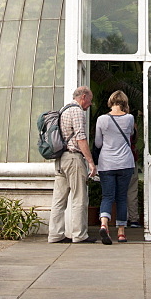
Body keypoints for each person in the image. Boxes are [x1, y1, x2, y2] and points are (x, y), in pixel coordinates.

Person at [47, 86, 97, 244]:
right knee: (79, 197)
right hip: (73, 158)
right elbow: (81, 138)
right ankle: (79, 235)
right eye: (89, 100)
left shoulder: (63, 110)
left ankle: (55, 234)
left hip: (61, 159)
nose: (90, 104)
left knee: (59, 199)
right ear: (83, 97)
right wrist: (90, 162)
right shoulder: (76, 111)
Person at [94, 90, 136, 244]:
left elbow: (98, 143)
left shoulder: (101, 119)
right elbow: (131, 134)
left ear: (111, 101)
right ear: (124, 102)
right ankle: (121, 233)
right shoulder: (129, 118)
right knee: (121, 197)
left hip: (107, 163)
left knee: (107, 196)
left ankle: (104, 224)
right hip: (125, 163)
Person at [126, 109, 142, 228]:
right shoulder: (130, 121)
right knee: (132, 190)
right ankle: (133, 219)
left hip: (112, 160)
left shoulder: (105, 120)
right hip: (129, 158)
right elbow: (135, 139)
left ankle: (119, 219)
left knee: (116, 191)